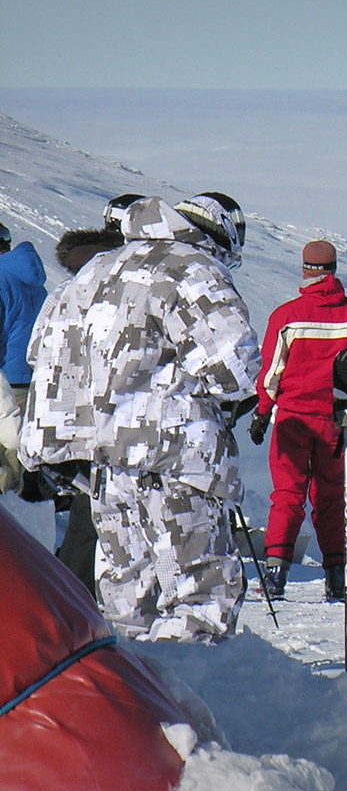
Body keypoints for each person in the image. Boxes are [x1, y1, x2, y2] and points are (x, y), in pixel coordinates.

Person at [22, 195, 260, 643]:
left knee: (128, 600)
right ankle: (196, 700)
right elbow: (236, 369)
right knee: (199, 596)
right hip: (175, 458)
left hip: (106, 469)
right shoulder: (189, 266)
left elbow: (42, 355)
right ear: (219, 237)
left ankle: (140, 699)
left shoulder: (96, 270)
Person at [250, 240, 347, 601]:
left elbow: (271, 372)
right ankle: (336, 577)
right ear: (335, 269)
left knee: (287, 496)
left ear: (305, 269)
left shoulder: (286, 317)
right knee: (330, 498)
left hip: (292, 421)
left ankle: (276, 572)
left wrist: (263, 412)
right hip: (335, 421)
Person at [36, 225, 125, 595]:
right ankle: (78, 601)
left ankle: (70, 596)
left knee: (85, 515)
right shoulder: (115, 296)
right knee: (93, 518)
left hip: (62, 416)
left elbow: (35, 351)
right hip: (98, 418)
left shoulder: (64, 294)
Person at [0, 220, 48, 493]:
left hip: (5, 379)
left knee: (7, 452)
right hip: (35, 377)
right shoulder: (32, 279)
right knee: (22, 452)